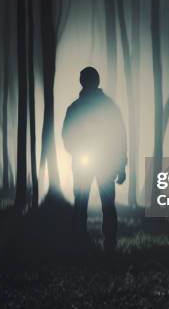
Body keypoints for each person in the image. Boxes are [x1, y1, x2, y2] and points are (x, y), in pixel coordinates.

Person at [62, 66, 127, 252]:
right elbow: (120, 137)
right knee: (102, 205)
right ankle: (107, 244)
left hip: (90, 163)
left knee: (84, 204)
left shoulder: (75, 108)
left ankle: (86, 243)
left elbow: (67, 136)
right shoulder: (109, 107)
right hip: (101, 163)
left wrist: (121, 164)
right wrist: (121, 165)